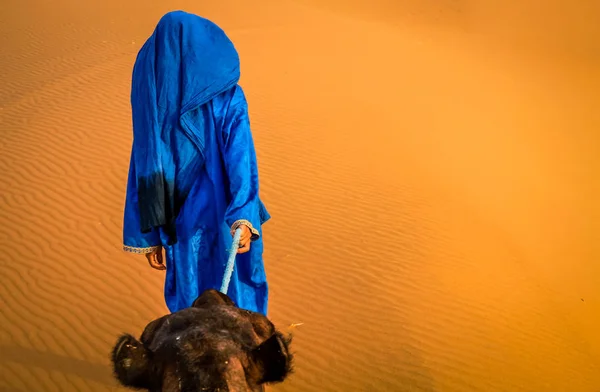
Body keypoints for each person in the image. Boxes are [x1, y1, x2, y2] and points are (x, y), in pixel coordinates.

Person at [122, 10, 271, 316]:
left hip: (211, 219)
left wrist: (149, 234)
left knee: (204, 305)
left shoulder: (161, 103)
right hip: (211, 219)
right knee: (229, 308)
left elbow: (145, 168)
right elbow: (243, 157)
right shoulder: (164, 103)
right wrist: (243, 215)